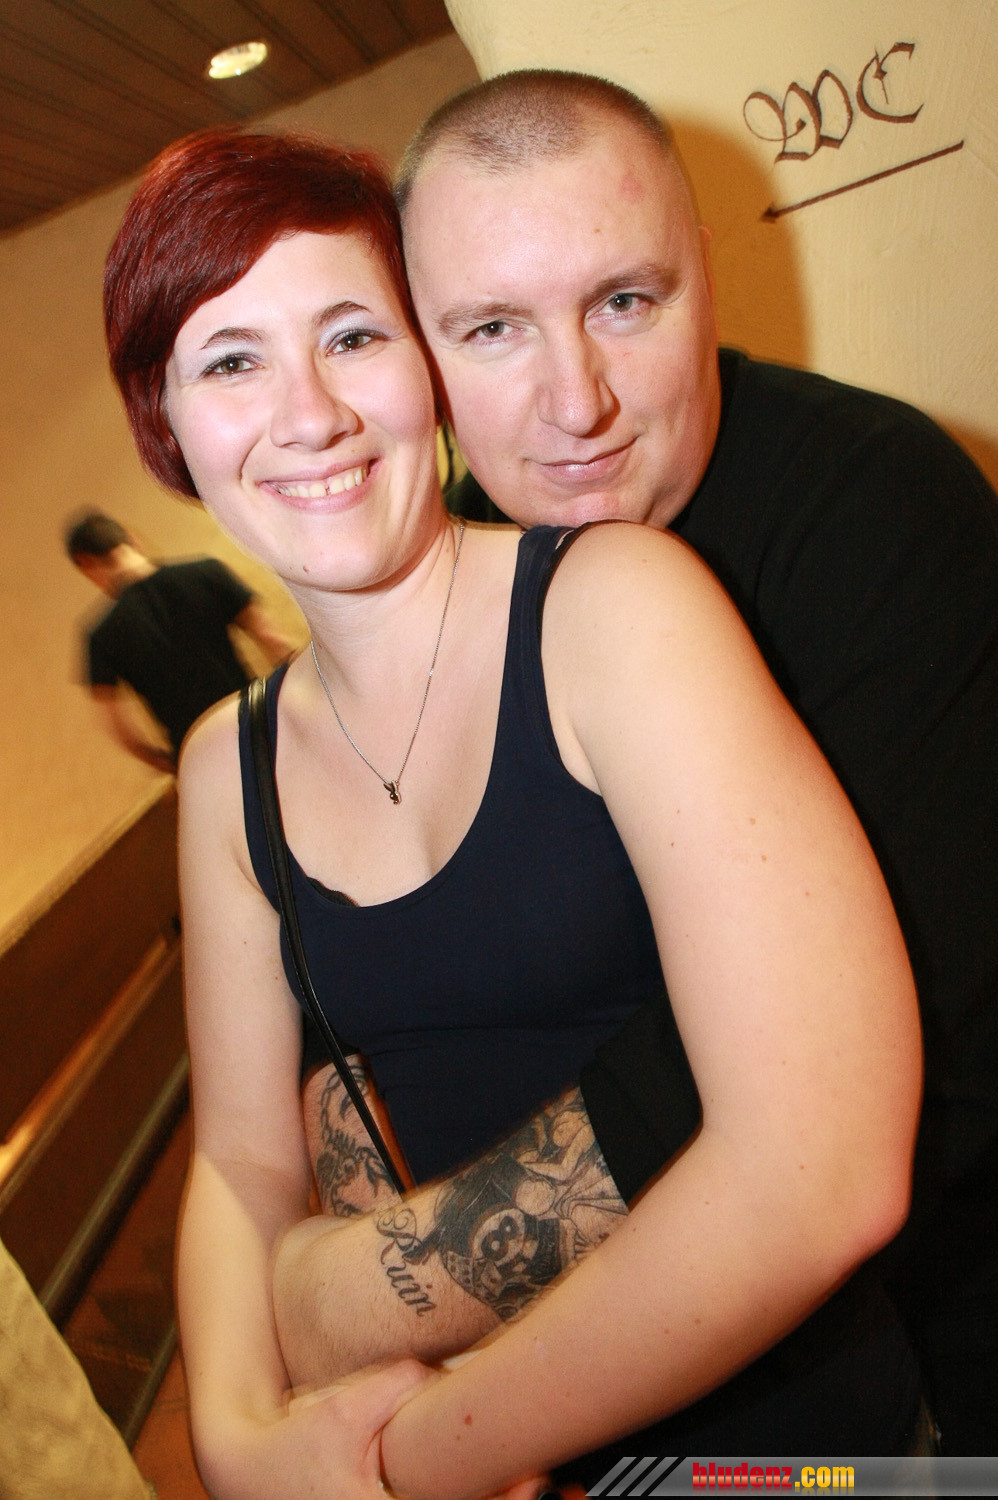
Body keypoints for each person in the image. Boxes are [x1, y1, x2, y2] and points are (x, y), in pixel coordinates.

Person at [103, 126, 921, 1499]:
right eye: (231, 362)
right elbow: (242, 1168)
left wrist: (420, 1457)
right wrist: (239, 1443)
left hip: (797, 1459)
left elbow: (823, 1175)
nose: (308, 414)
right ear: (166, 425)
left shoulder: (613, 607)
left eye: (351, 336)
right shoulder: (222, 767)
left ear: (427, 366)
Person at [290, 66, 998, 1463]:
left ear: (704, 283)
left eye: (624, 301)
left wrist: (362, 1298)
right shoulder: (453, 593)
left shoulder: (874, 504)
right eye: (492, 328)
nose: (577, 402)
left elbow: (859, 1073)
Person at [66, 510, 293, 770]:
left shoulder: (101, 635)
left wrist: (170, 763)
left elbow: (120, 731)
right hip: (257, 727)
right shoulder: (206, 572)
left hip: (198, 756)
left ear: (85, 563)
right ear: (130, 538)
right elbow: (275, 642)